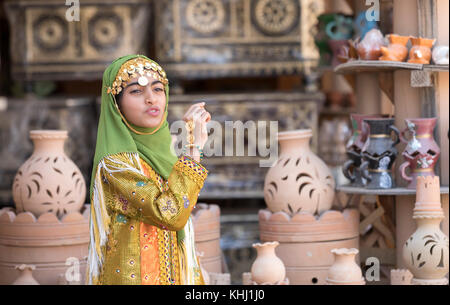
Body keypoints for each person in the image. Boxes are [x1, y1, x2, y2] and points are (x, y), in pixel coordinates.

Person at [87, 54, 211, 285]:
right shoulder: (117, 165)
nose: (151, 99)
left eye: (158, 89)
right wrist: (194, 148)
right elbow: (171, 214)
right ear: (116, 103)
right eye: (136, 91)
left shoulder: (166, 155)